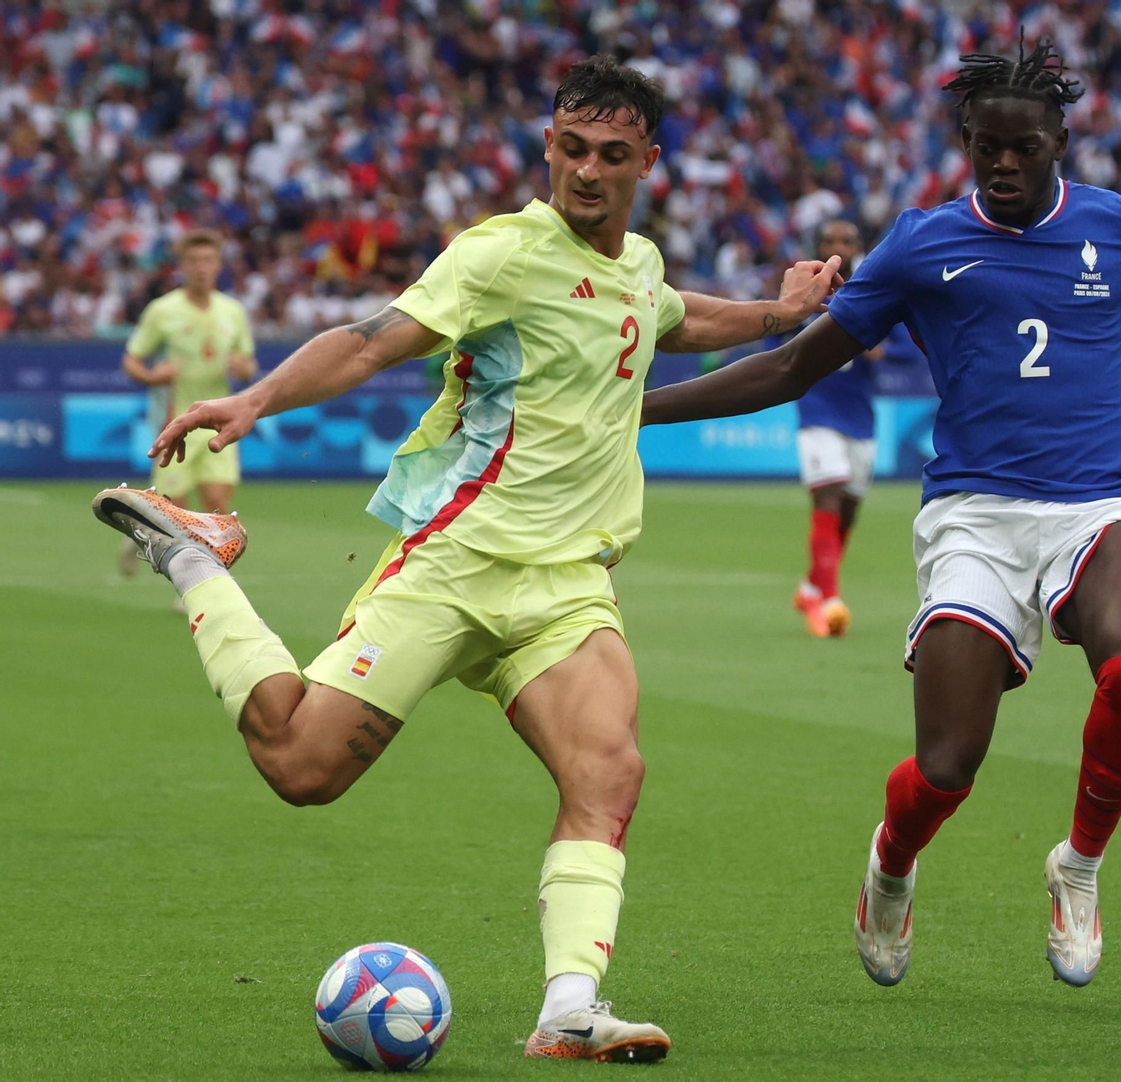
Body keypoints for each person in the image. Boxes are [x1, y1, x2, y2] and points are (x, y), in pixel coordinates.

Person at [90, 56, 840, 1064]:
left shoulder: (638, 263)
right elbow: (370, 341)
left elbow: (672, 314)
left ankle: (569, 1006)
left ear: (648, 163)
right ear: (548, 146)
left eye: (611, 154)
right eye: (571, 147)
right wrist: (255, 399)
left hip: (566, 585)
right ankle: (196, 560)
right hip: (456, 560)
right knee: (300, 765)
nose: (587, 170)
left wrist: (779, 313)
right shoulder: (500, 254)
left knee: (609, 769)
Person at [641, 41, 1121, 989]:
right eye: (987, 148)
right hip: (975, 518)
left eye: (1024, 147)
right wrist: (635, 407)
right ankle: (892, 861)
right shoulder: (922, 244)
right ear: (966, 145)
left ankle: (1079, 867)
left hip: (1100, 503)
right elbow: (790, 367)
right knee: (948, 766)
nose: (1004, 164)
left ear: (1059, 141)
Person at [118, 230, 258, 576]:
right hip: (177, 423)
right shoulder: (163, 310)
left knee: (217, 507)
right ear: (182, 265)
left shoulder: (232, 312)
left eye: (208, 260)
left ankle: (192, 587)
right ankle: (141, 537)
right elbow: (132, 359)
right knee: (175, 514)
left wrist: (243, 368)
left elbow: (248, 363)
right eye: (194, 260)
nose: (201, 267)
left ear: (218, 265)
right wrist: (152, 377)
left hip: (219, 423)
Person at [791, 219, 883, 638]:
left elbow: (881, 350)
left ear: (859, 247)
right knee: (827, 495)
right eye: (829, 240)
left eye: (847, 240)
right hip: (817, 410)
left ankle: (812, 586)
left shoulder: (873, 289)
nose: (838, 247)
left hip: (859, 416)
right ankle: (829, 600)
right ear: (816, 246)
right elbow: (777, 340)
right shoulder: (800, 288)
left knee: (848, 509)